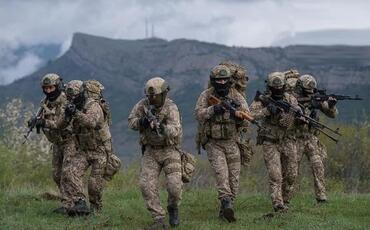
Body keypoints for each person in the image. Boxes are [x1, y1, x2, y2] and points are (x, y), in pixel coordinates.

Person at [194, 64, 249, 222]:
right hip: (214, 143)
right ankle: (225, 201)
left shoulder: (236, 95)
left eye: (225, 80)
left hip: (232, 142)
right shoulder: (206, 95)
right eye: (219, 80)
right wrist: (213, 110)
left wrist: (239, 118)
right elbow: (198, 113)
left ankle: (225, 210)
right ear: (213, 81)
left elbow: (247, 116)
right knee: (221, 175)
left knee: (234, 179)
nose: (222, 83)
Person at [128, 77, 183, 229]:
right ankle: (158, 219)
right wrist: (143, 122)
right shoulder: (142, 105)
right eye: (149, 96)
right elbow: (131, 121)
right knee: (146, 185)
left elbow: (175, 129)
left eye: (155, 96)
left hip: (170, 150)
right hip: (151, 151)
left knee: (174, 186)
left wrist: (162, 128)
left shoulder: (171, 107)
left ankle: (173, 207)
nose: (152, 99)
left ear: (164, 94)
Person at [249, 72, 299, 212]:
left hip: (288, 140)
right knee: (275, 175)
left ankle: (286, 199)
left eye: (280, 87)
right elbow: (250, 114)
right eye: (274, 87)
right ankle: (278, 204)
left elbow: (289, 123)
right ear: (270, 87)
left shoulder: (290, 99)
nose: (277, 90)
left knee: (291, 174)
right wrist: (266, 111)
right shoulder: (262, 99)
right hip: (270, 141)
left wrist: (290, 116)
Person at [28, 73, 71, 214]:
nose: (48, 91)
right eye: (45, 88)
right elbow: (42, 117)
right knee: (57, 174)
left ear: (57, 86)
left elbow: (61, 123)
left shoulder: (65, 100)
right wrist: (35, 121)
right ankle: (67, 202)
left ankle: (73, 204)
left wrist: (43, 122)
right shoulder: (46, 102)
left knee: (68, 174)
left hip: (70, 141)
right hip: (57, 143)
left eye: (51, 87)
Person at [293, 74, 338, 203]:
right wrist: (306, 108)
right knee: (292, 170)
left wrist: (330, 105)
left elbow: (332, 115)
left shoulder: (316, 98)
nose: (310, 92)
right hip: (296, 138)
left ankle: (321, 197)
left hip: (311, 138)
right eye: (307, 90)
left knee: (318, 166)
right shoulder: (293, 99)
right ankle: (286, 198)